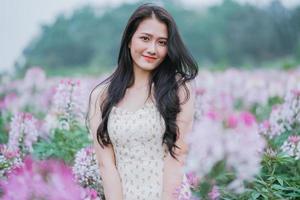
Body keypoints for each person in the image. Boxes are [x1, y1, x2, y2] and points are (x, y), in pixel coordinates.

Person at [87, 3, 198, 200]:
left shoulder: (179, 88)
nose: (152, 49)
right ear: (129, 39)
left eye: (162, 42)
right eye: (145, 38)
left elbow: (178, 155)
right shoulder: (101, 96)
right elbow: (107, 165)